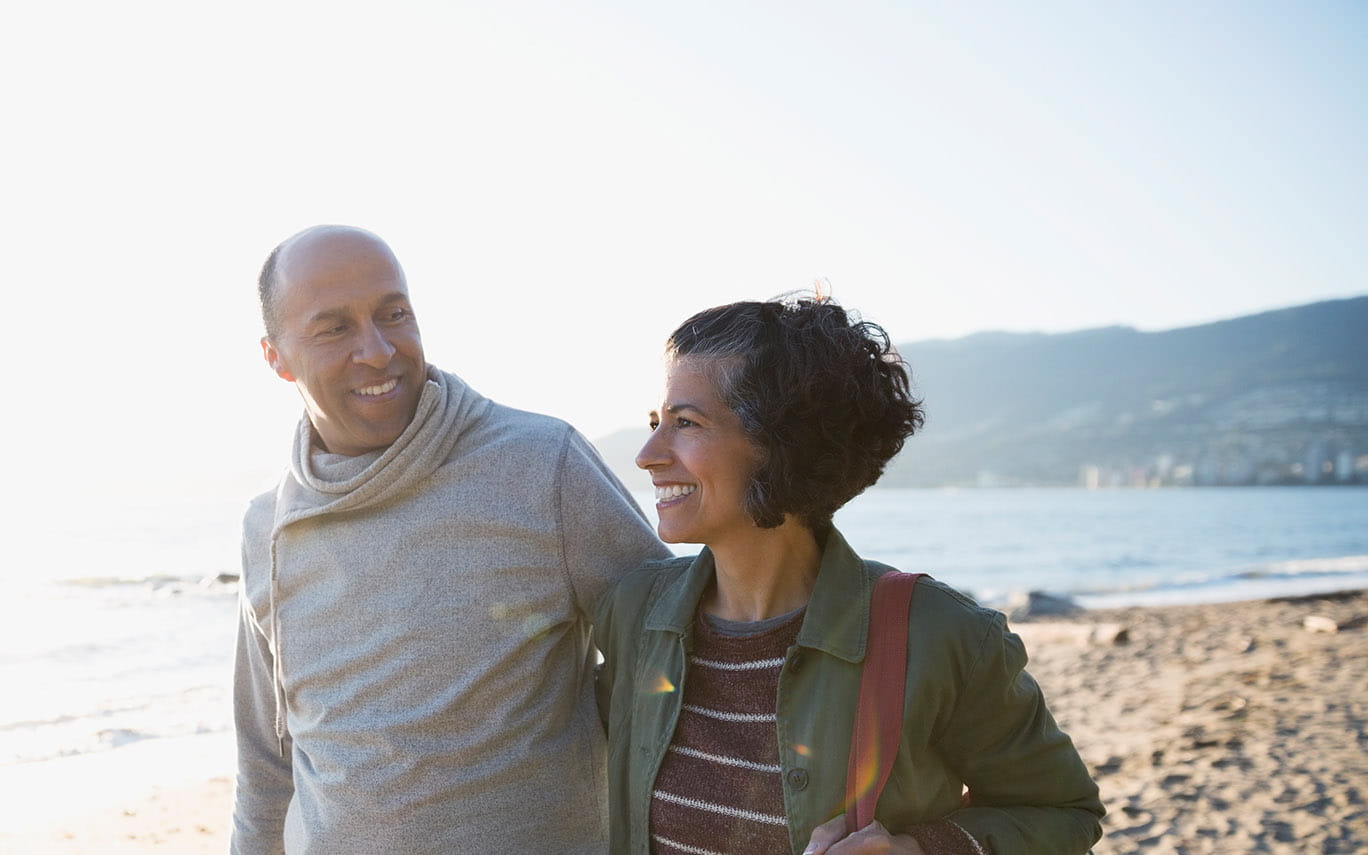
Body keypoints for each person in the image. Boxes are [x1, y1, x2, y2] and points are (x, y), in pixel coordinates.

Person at [595, 298, 1104, 855]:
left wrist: (920, 849)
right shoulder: (633, 611)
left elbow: (1063, 813)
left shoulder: (942, 636)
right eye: (655, 423)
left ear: (782, 442)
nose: (646, 455)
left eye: (685, 423)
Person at [232, 225, 671, 855]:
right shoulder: (264, 527)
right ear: (276, 356)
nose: (379, 351)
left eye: (395, 314)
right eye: (335, 327)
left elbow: (672, 658)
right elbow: (265, 761)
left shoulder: (541, 465)